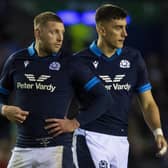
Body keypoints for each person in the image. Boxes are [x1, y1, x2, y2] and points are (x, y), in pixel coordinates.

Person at [51, 4, 167, 168]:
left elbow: (147, 102)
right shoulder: (79, 61)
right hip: (89, 137)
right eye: (118, 28)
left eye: (125, 28)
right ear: (102, 30)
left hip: (120, 141)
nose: (125, 34)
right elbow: (59, 98)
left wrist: (157, 132)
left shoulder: (134, 58)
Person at [0, 11, 112, 168]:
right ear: (38, 33)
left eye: (62, 32)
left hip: (56, 150)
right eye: (54, 32)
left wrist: (75, 122)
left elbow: (104, 98)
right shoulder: (16, 60)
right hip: (22, 148)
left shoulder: (71, 63)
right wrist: (4, 109)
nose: (60, 38)